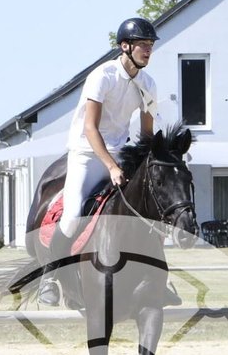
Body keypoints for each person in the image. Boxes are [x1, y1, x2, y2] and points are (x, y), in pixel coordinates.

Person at [39, 16, 160, 305]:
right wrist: (111, 166)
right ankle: (49, 276)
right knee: (72, 216)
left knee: (148, 211)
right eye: (143, 44)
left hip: (120, 152)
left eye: (150, 45)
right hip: (86, 153)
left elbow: (146, 133)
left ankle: (157, 280)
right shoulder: (102, 76)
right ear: (125, 46)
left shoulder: (148, 84)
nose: (148, 50)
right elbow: (90, 128)